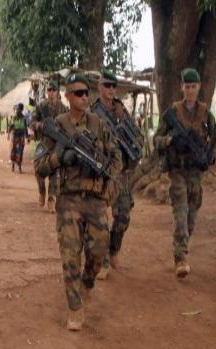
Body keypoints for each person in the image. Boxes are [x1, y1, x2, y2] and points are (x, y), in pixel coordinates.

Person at [34, 73, 122, 331]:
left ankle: (88, 282)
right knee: (70, 255)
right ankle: (75, 307)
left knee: (97, 252)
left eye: (87, 93)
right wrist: (60, 158)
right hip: (68, 201)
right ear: (67, 96)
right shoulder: (57, 126)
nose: (85, 97)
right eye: (79, 93)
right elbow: (39, 166)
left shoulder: (99, 124)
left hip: (95, 200)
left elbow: (116, 158)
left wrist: (108, 189)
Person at [153, 68, 216, 278]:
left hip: (196, 173)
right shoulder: (172, 114)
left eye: (194, 87)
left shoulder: (205, 114)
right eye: (187, 86)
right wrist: (171, 141)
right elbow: (156, 139)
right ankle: (180, 258)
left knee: (191, 217)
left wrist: (211, 157)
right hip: (178, 172)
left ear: (199, 87)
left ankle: (182, 249)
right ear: (182, 87)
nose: (190, 90)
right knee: (181, 214)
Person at [91, 69, 145, 280]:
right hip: (102, 172)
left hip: (121, 173)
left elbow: (137, 136)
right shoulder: (93, 112)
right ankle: (103, 260)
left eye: (113, 86)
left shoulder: (121, 111)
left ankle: (114, 249)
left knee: (123, 217)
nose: (111, 90)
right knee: (100, 219)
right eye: (107, 85)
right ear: (99, 87)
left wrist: (134, 145)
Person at [30, 80, 68, 212]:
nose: (51, 93)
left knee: (55, 172)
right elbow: (32, 121)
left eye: (54, 90)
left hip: (57, 145)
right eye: (49, 90)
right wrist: (40, 125)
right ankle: (42, 191)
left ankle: (51, 199)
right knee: (38, 170)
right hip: (45, 143)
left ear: (58, 92)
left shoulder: (64, 109)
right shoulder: (42, 106)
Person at [9, 103, 28, 173]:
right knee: (14, 151)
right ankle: (13, 165)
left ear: (21, 110)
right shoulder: (14, 118)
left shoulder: (24, 118)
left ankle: (19, 166)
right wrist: (10, 129)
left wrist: (27, 136)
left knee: (20, 151)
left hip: (21, 137)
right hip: (15, 136)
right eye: (17, 109)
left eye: (19, 109)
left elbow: (25, 128)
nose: (17, 110)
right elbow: (10, 127)